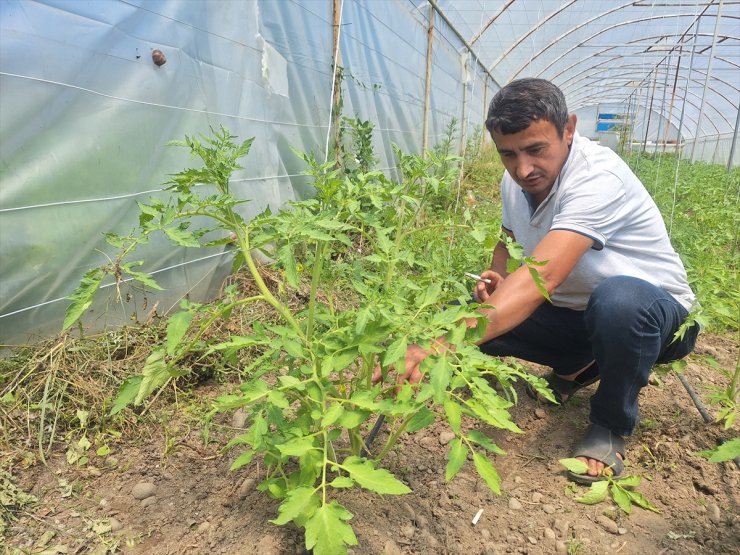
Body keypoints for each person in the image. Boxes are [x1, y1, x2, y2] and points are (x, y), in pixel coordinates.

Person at [375, 78, 699, 483]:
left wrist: (437, 344)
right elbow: (507, 240)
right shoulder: (514, 181)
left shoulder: (598, 177)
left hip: (654, 318)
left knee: (618, 301)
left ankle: (611, 425)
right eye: (507, 154)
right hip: (574, 313)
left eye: (536, 149)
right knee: (469, 316)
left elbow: (542, 275)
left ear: (568, 129)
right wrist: (494, 281)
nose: (522, 169)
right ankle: (580, 363)